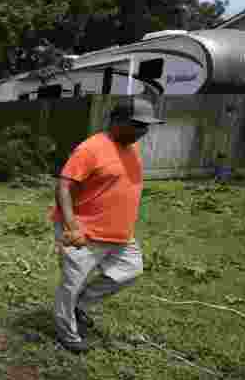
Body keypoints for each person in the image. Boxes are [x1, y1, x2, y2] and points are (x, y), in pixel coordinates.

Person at [50, 96, 164, 354]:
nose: (143, 131)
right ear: (117, 121)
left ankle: (80, 305)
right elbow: (64, 186)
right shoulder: (91, 148)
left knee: (131, 270)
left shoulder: (130, 148)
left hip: (119, 234)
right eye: (137, 125)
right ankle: (67, 333)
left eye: (146, 126)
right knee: (73, 283)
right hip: (86, 231)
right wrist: (71, 227)